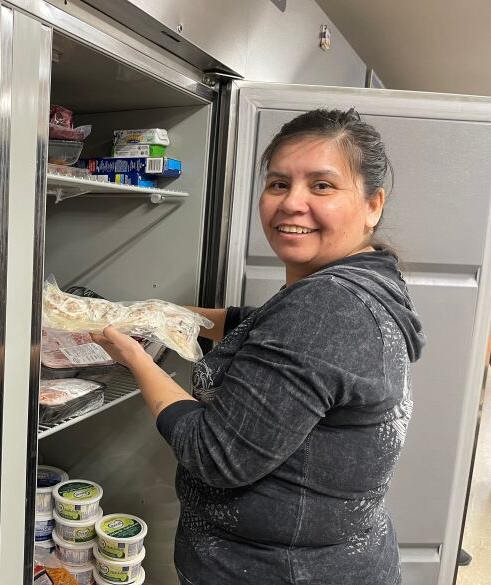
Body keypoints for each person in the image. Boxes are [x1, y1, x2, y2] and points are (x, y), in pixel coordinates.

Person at [91, 109, 426, 585]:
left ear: (373, 204)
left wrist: (135, 357)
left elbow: (215, 454)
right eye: (277, 184)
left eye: (322, 186)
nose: (292, 203)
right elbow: (263, 333)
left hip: (284, 572)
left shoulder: (326, 307)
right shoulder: (365, 284)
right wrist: (159, 313)